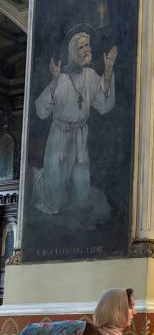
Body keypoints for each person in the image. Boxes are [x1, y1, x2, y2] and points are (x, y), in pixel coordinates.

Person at [32, 30, 117, 214]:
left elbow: (103, 105)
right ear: (72, 51)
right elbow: (41, 111)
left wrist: (109, 69)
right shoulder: (61, 79)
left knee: (81, 176)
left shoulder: (91, 76)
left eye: (88, 45)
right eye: (81, 47)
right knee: (55, 182)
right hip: (59, 135)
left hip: (79, 134)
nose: (87, 50)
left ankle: (81, 203)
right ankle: (49, 192)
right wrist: (54, 81)